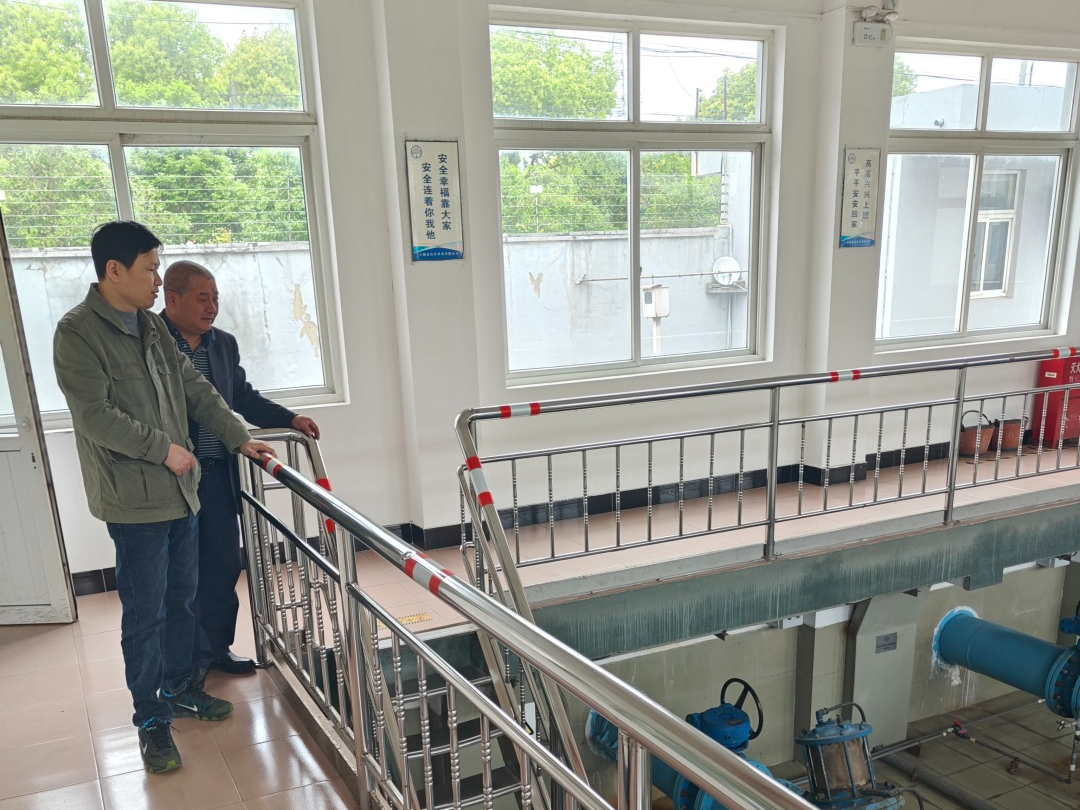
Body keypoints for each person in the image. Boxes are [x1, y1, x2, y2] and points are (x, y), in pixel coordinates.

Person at [53, 222, 277, 774]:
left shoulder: (152, 327)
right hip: (136, 503)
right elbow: (95, 415)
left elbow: (195, 389)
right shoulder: (78, 333)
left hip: (184, 494)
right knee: (145, 615)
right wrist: (164, 449)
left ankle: (181, 689)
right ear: (114, 270)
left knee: (182, 601)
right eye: (151, 268)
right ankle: (151, 720)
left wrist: (238, 436)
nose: (158, 279)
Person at [161, 260, 320, 680]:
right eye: (202, 298)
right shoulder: (152, 341)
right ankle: (189, 661)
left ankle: (216, 649)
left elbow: (241, 397)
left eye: (215, 298)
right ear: (172, 298)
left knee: (223, 565)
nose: (212, 307)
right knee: (181, 574)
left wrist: (289, 418)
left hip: (216, 477)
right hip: (172, 479)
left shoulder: (223, 344)